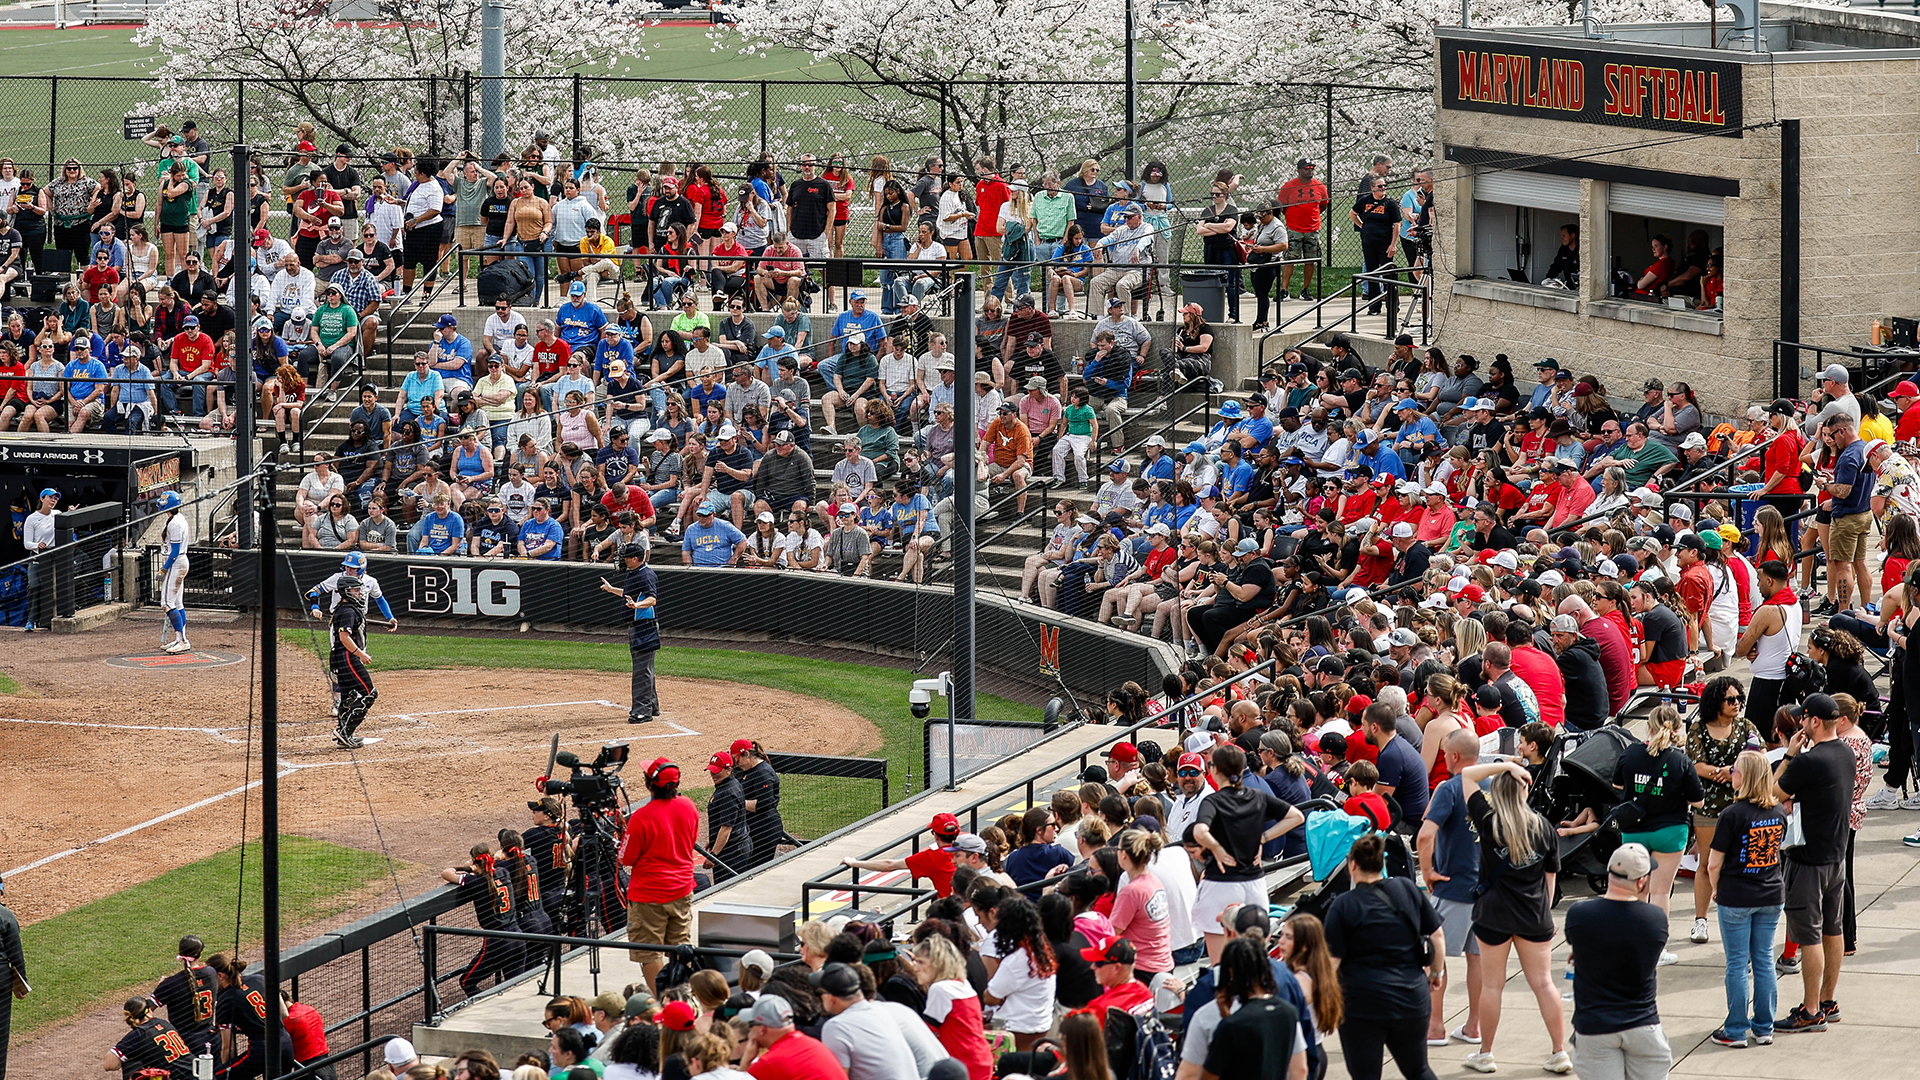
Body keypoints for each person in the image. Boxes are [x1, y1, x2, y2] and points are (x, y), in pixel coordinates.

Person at [1452, 759, 1568, 1075]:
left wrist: (1504, 764)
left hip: (1493, 914)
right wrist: (1546, 912)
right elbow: (1550, 877)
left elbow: (1467, 774)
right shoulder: (1543, 826)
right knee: (1544, 984)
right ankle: (1559, 1051)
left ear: (1497, 794)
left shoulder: (1489, 821)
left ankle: (1486, 1053)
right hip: (1533, 914)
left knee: (1492, 986)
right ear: (1525, 790)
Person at [1323, 833, 1443, 1080]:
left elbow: (1331, 963)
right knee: (1419, 1069)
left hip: (1362, 1004)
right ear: (1382, 863)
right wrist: (1435, 972)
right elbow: (1437, 936)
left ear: (1353, 864)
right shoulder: (1407, 889)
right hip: (1411, 997)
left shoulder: (1344, 905)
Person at [1772, 692, 1854, 1033]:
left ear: (1814, 721)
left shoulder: (1808, 761)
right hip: (1836, 858)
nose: (1800, 724)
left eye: (1803, 719)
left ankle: (1809, 1011)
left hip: (1807, 861)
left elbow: (1773, 790)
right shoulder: (1846, 753)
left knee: (1809, 937)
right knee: (1833, 930)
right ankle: (1827, 1000)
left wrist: (1791, 752)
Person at [1562, 844, 1672, 1080]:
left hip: (1594, 1027)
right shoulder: (1655, 919)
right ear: (1641, 882)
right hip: (1642, 1024)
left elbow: (1577, 943)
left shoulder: (1579, 914)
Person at [1707, 751, 1788, 1048]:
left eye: (1735, 770)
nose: (1731, 774)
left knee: (1738, 963)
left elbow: (1713, 863)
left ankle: (1736, 1029)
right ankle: (1764, 1026)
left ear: (1746, 776)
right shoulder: (1778, 811)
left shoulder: (1732, 815)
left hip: (1737, 896)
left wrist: (1715, 888)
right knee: (1765, 960)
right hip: (1770, 893)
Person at [1193, 745, 1304, 961]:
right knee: (1255, 958)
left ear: (1215, 770)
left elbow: (1199, 831)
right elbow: (1296, 817)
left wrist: (1215, 847)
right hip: (1254, 885)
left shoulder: (1213, 801)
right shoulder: (1257, 797)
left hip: (1220, 884)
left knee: (1220, 963)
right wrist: (1263, 838)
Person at [1611, 705, 1703, 965]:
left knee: (1636, 893)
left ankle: (1634, 945)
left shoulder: (1631, 753)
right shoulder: (1681, 761)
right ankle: (1658, 950)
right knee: (1661, 892)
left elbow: (1618, 784)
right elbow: (1697, 801)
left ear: (1649, 726)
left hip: (1634, 830)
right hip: (1670, 831)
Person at [1416, 729, 1484, 1047]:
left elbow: (1425, 835)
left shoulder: (1450, 788)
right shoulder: (1496, 785)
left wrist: (1428, 871)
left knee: (1434, 956)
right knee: (1479, 959)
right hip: (1488, 888)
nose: (1443, 758)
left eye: (1445, 753)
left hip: (1455, 886)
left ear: (1455, 756)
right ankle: (1474, 1026)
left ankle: (1434, 1026)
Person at [616, 756, 699, 995]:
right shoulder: (689, 806)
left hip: (648, 894)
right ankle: (683, 999)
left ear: (649, 784)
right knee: (680, 947)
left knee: (649, 952)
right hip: (682, 888)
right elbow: (690, 841)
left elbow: (626, 858)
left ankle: (661, 1002)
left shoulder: (642, 817)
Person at [599, 541, 660, 725]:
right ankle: (652, 706)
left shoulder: (647, 575)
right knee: (644, 668)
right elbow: (628, 594)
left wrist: (637, 605)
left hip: (645, 626)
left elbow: (651, 599)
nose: (622, 560)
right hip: (637, 626)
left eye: (625, 557)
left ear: (635, 559)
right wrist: (611, 590)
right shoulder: (635, 573)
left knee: (642, 670)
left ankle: (642, 711)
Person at [743, 994, 846, 1080]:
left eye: (750, 1025)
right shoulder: (811, 1043)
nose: (749, 1032)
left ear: (762, 1029)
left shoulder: (769, 1063)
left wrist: (746, 1061)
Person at [329, 574, 377, 749]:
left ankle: (344, 735)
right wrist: (361, 654)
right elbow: (344, 637)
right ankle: (345, 732)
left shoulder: (345, 609)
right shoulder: (348, 611)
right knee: (369, 694)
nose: (359, 593)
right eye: (355, 590)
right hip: (347, 656)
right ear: (346, 592)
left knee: (349, 697)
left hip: (340, 657)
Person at [106, 995, 196, 1079]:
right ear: (148, 1012)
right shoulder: (164, 1023)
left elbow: (109, 1065)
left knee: (131, 1061)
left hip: (183, 1077)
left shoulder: (138, 1035)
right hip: (200, 1071)